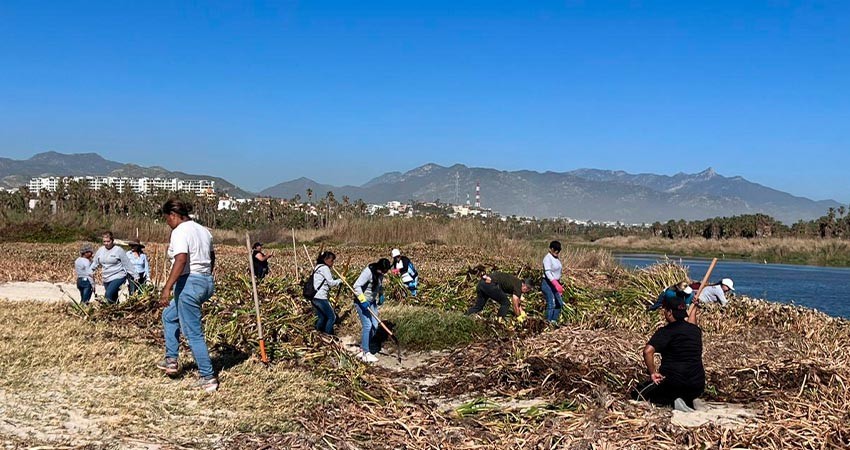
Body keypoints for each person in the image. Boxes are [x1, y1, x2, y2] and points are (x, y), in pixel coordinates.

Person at [156, 198, 218, 392]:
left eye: (167, 219)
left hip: (189, 283)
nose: (168, 223)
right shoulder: (203, 231)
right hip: (205, 281)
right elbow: (212, 256)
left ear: (174, 216)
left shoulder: (180, 231)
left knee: (193, 333)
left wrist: (167, 287)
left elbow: (181, 259)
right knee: (169, 316)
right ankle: (171, 359)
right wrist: (204, 275)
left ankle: (207, 377)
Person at [632, 293, 705, 412]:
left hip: (674, 384)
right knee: (684, 390)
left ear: (670, 312)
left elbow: (647, 351)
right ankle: (687, 400)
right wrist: (695, 307)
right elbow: (692, 323)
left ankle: (673, 401)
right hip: (697, 385)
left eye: (665, 310)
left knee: (638, 393)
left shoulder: (666, 331)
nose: (664, 313)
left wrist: (653, 373)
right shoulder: (695, 331)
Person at [353, 258, 391, 363]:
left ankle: (363, 347)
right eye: (383, 271)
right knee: (367, 325)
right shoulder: (368, 272)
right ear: (379, 267)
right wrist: (362, 300)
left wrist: (381, 294)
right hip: (362, 302)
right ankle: (366, 353)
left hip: (372, 302)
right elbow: (356, 286)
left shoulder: (380, 273)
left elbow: (379, 285)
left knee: (374, 325)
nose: (384, 273)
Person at [90, 231, 137, 304]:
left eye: (108, 241)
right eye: (104, 241)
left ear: (112, 240)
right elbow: (95, 263)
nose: (106, 243)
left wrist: (135, 275)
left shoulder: (118, 250)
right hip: (106, 277)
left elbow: (127, 264)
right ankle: (117, 312)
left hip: (118, 276)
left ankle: (108, 309)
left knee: (108, 295)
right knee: (113, 298)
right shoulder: (101, 250)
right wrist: (89, 271)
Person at [466, 271, 530, 320]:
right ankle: (499, 321)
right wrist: (518, 316)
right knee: (506, 303)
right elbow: (515, 302)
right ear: (524, 285)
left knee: (478, 307)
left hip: (482, 283)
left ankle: (464, 316)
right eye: (527, 289)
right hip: (490, 284)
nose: (527, 291)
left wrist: (522, 312)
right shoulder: (518, 285)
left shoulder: (516, 282)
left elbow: (518, 302)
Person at [311, 251, 342, 335]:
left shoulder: (317, 267)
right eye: (331, 260)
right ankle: (328, 335)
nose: (332, 263)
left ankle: (317, 334)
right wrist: (341, 280)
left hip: (314, 297)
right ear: (326, 259)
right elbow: (331, 283)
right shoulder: (325, 268)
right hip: (321, 297)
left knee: (321, 317)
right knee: (332, 317)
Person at [542, 241, 565, 324]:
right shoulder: (547, 258)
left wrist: (559, 285)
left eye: (558, 251)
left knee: (559, 303)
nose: (557, 252)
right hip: (548, 283)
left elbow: (558, 272)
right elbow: (548, 272)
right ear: (551, 249)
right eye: (555, 250)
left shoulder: (556, 259)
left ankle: (553, 321)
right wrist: (555, 283)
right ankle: (546, 323)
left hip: (556, 283)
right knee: (551, 303)